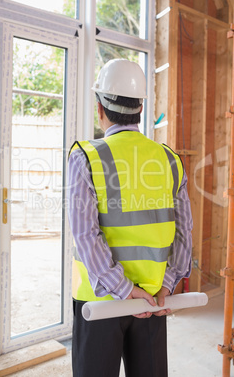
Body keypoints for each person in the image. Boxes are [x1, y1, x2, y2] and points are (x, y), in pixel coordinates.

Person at [67, 58, 192, 377]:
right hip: (153, 298)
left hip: (98, 301)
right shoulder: (169, 160)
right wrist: (166, 285)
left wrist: (121, 288)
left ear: (100, 109)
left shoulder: (86, 158)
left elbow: (85, 237)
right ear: (141, 109)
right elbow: (184, 233)